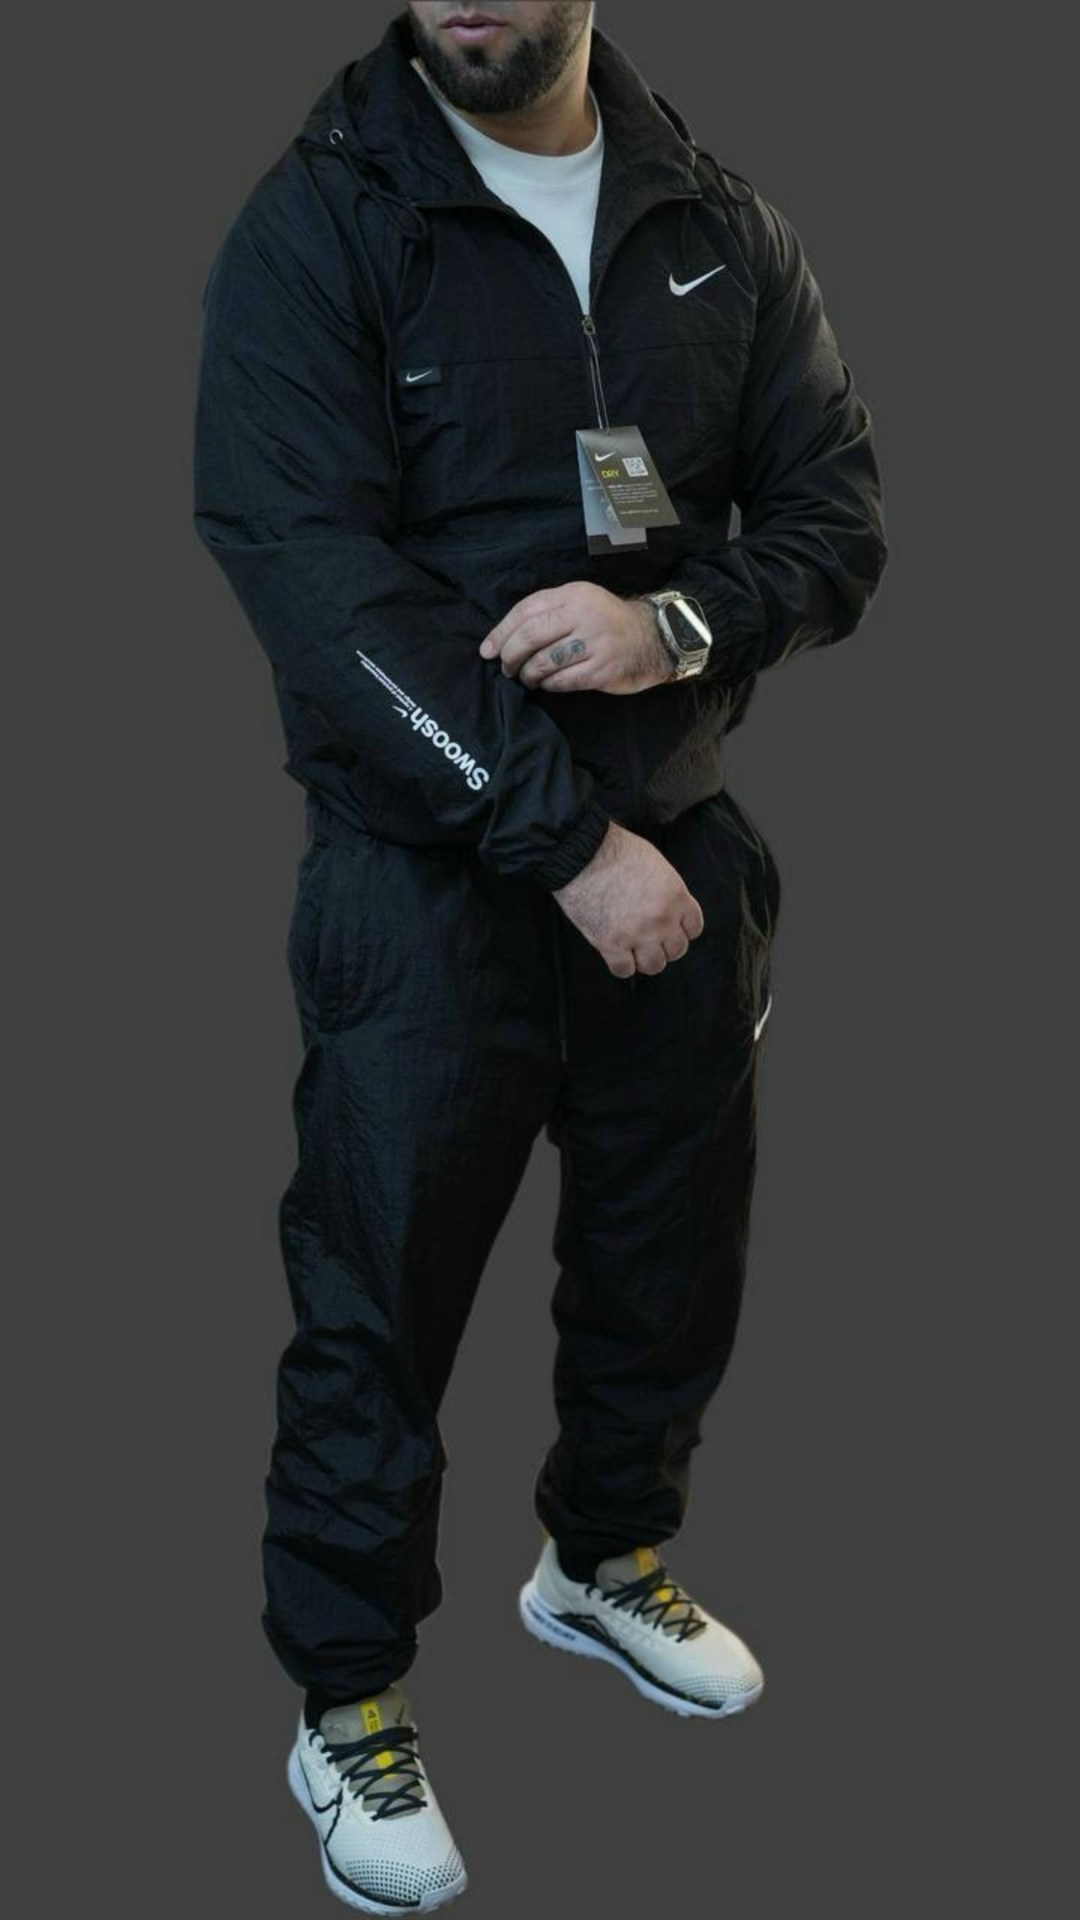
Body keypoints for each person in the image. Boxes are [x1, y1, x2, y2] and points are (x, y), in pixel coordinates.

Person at [192, 3, 888, 1909]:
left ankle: (601, 1562)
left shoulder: (717, 223)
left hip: (683, 860)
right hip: (429, 884)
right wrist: (564, 842)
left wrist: (679, 624)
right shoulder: (324, 219)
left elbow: (836, 512)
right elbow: (309, 574)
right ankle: (346, 1696)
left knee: (670, 1266)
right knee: (379, 1310)